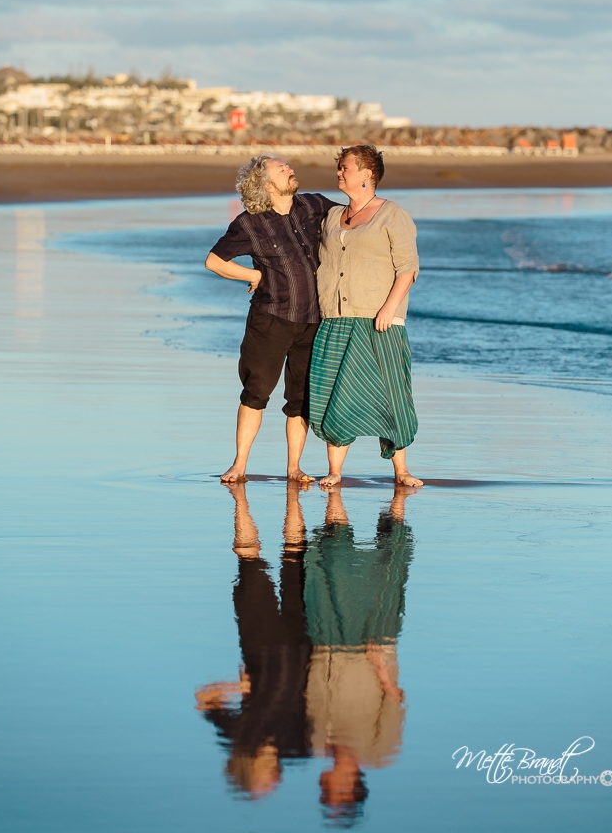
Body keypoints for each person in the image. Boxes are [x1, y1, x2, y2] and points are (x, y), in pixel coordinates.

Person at [205, 155, 337, 482]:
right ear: (266, 184)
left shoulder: (314, 205)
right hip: (270, 320)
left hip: (313, 321)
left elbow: (352, 219)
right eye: (282, 169)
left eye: (289, 166)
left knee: (300, 399)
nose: (291, 169)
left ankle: (294, 467)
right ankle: (239, 465)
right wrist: (253, 274)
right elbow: (214, 261)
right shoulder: (249, 223)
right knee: (256, 392)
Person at [309, 144, 423, 487]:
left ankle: (401, 471)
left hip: (378, 321)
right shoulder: (331, 217)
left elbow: (408, 269)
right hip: (334, 318)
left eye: (346, 168)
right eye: (340, 167)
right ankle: (335, 472)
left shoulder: (393, 215)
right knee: (332, 392)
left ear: (367, 175)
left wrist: (389, 309)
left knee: (391, 393)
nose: (339, 173)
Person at [304, 485, 415, 826]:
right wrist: (382, 665)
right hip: (369, 654)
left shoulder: (317, 744)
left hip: (330, 643)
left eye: (327, 792)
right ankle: (396, 502)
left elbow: (312, 694)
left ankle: (338, 500)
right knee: (384, 567)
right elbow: (396, 701)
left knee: (332, 562)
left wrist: (318, 647)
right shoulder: (382, 753)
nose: (327, 785)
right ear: (352, 788)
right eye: (335, 793)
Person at [195, 481, 313, 799]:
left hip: (260, 646)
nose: (273, 784)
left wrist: (240, 688)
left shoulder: (237, 736)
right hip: (304, 645)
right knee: (294, 553)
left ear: (247, 770)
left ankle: (241, 499)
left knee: (248, 559)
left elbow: (203, 699)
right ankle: (289, 494)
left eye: (263, 786)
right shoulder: (297, 751)